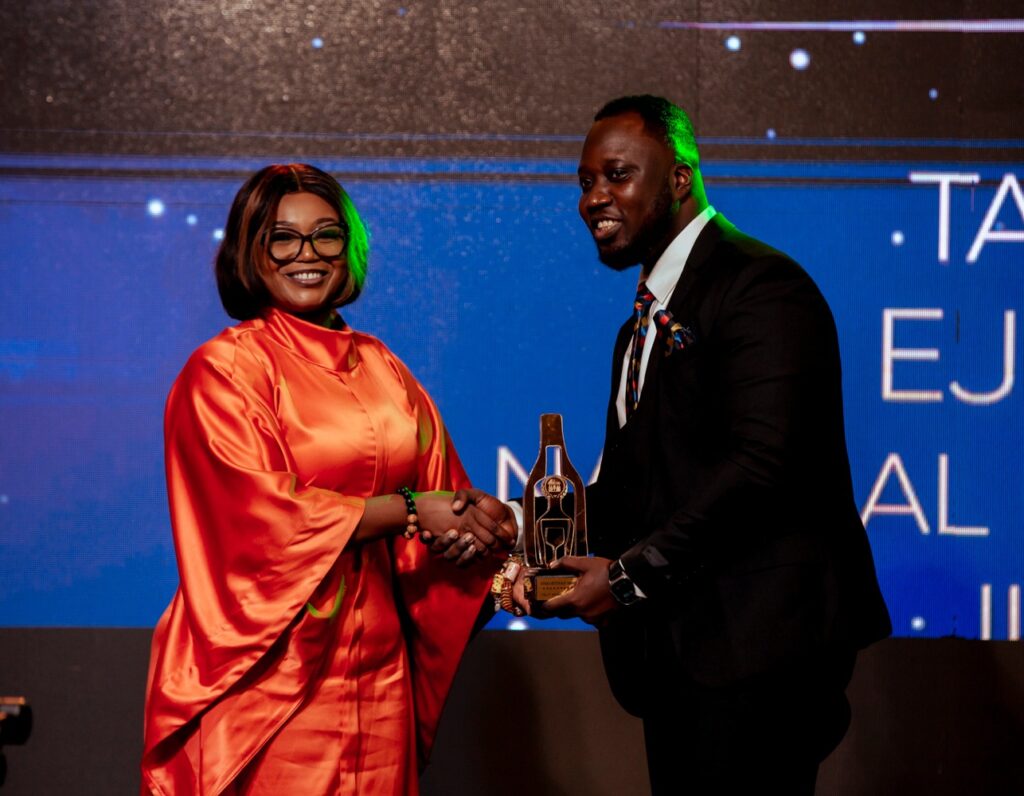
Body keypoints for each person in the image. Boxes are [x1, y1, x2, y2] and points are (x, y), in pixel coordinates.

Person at [486, 95, 892, 793]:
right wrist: (516, 529)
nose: (594, 198)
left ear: (679, 179)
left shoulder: (761, 286)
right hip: (678, 655)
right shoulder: (641, 325)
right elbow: (636, 490)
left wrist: (622, 579)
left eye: (618, 175)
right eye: (585, 181)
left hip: (759, 654)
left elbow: (763, 470)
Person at [141, 164, 514, 795]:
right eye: (282, 238)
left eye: (326, 235)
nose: (307, 254)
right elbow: (263, 523)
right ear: (250, 252)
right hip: (272, 686)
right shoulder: (224, 371)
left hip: (381, 684)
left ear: (350, 247)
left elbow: (441, 497)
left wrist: (485, 542)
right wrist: (411, 510)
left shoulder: (383, 367)